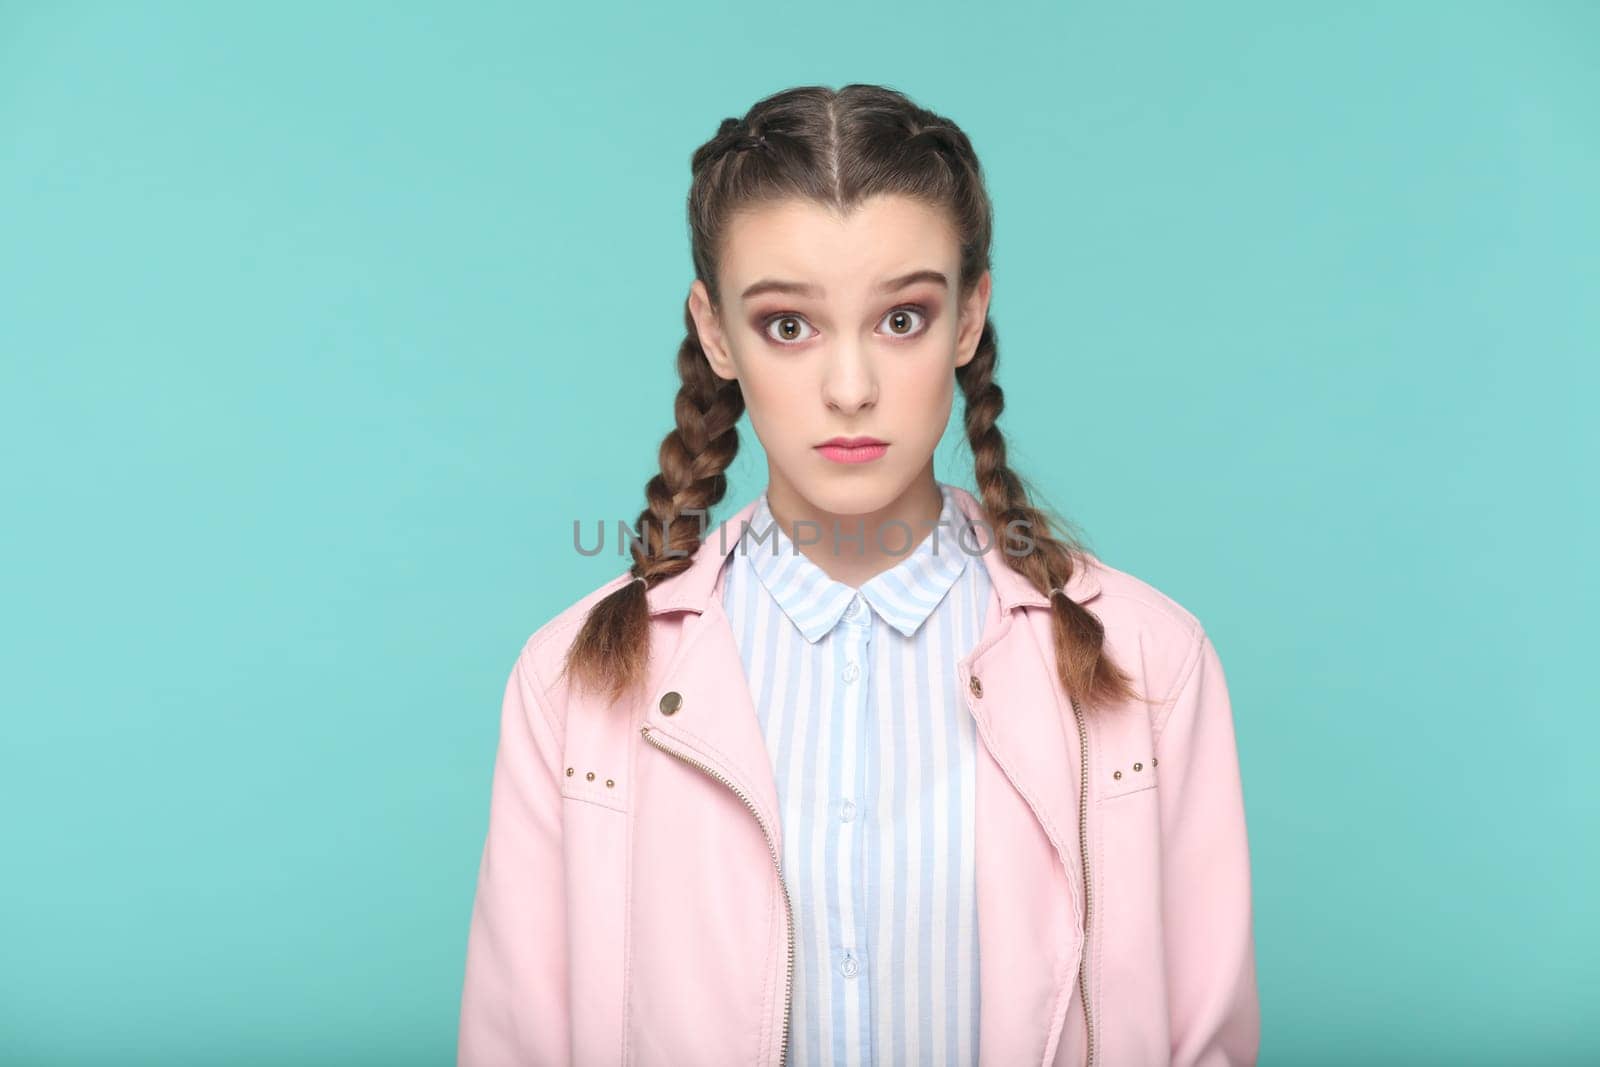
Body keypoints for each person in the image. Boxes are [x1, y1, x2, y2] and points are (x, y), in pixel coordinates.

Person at [456, 83, 1259, 1067]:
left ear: (970, 319)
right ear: (715, 333)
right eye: (788, 324)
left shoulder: (1150, 660)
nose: (849, 388)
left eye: (902, 319)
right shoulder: (569, 681)